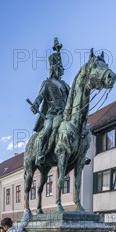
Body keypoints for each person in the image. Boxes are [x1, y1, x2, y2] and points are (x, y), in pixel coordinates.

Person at [29, 37, 70, 166]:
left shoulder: (65, 85)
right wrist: (35, 105)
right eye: (59, 67)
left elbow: (72, 99)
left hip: (65, 115)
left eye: (62, 68)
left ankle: (79, 153)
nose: (61, 70)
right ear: (53, 69)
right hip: (52, 114)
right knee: (47, 129)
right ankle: (40, 153)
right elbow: (40, 97)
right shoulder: (47, 83)